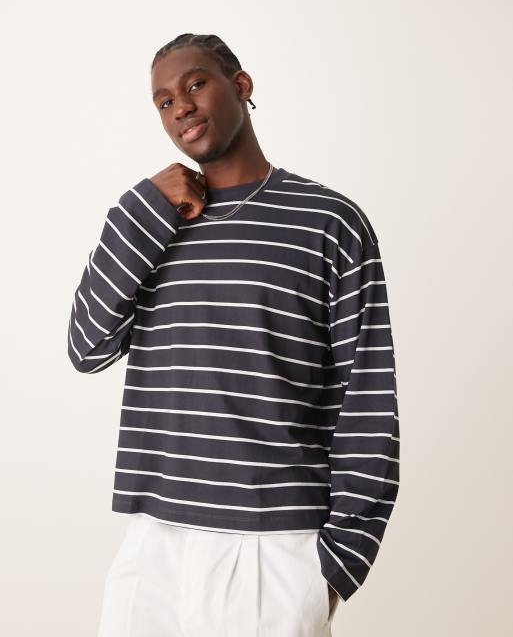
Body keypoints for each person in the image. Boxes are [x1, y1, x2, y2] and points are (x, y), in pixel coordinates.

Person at [67, 33, 400, 637]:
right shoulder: (152, 219)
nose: (181, 107)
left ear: (241, 86)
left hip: (273, 548)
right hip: (154, 543)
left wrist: (337, 565)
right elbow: (86, 347)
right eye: (164, 102)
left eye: (195, 84)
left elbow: (368, 399)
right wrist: (143, 209)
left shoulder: (329, 222)